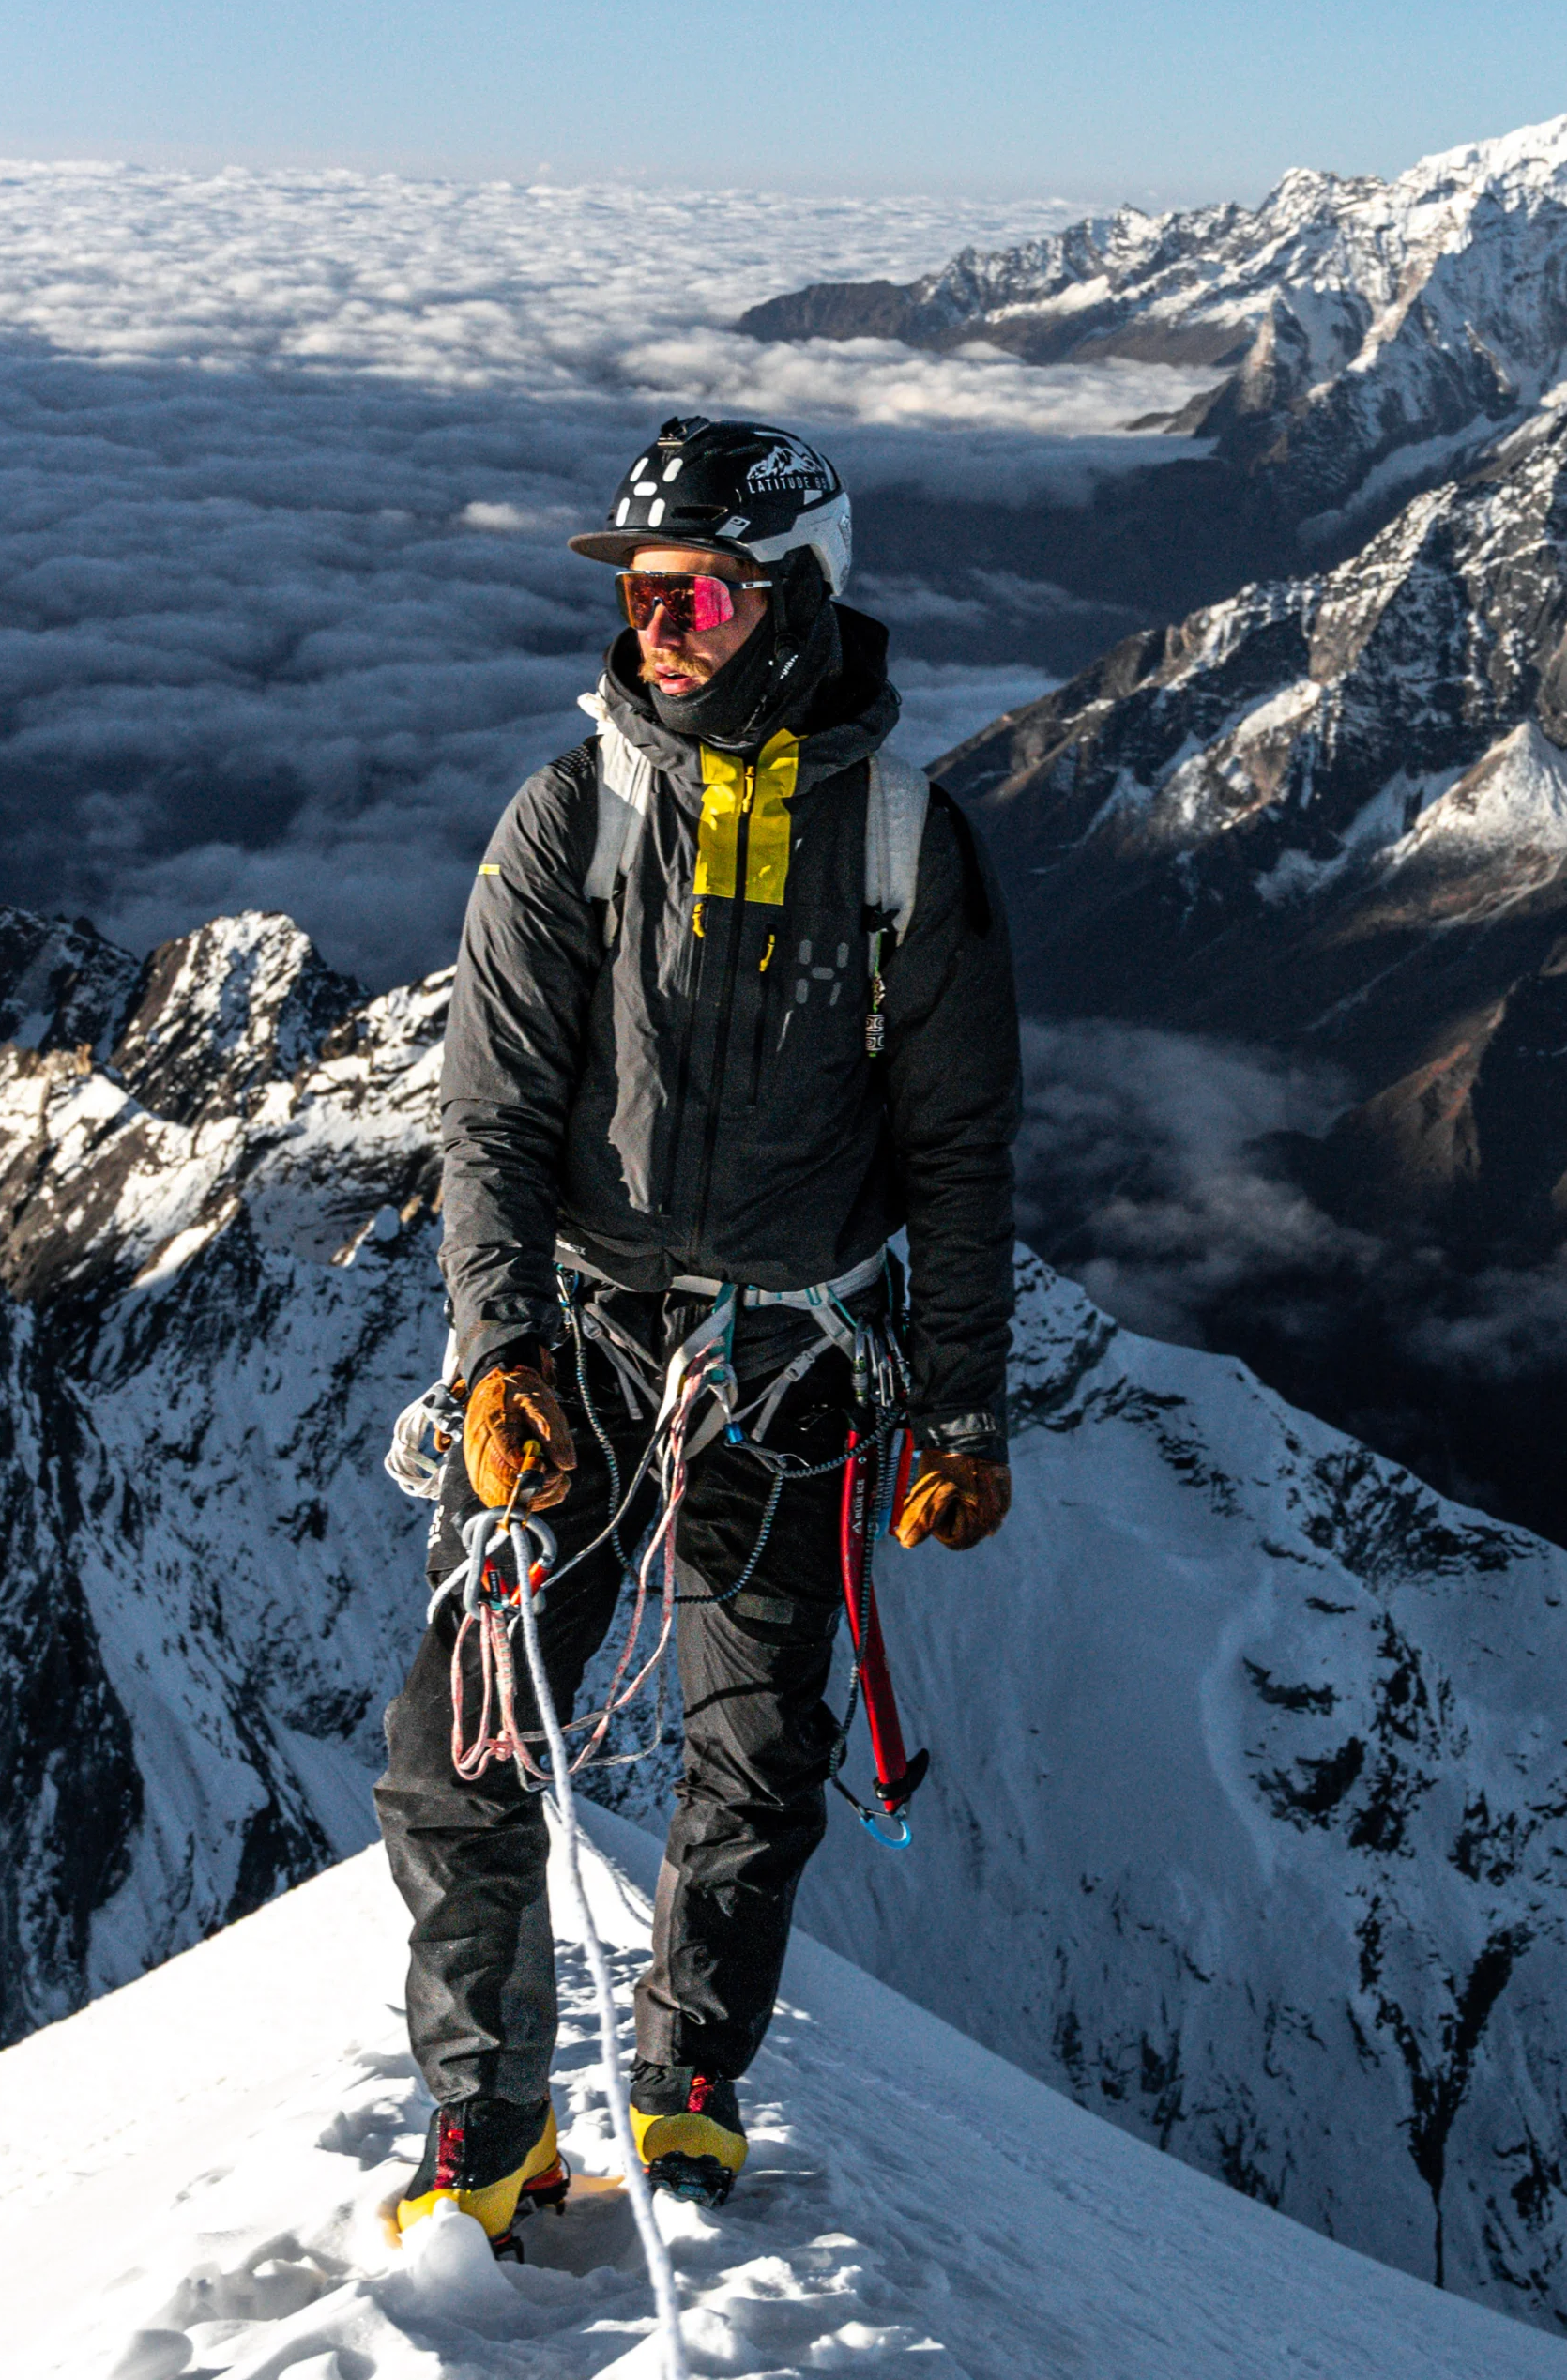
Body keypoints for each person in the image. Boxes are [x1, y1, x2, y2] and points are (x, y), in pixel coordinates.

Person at [375, 413, 1022, 2243]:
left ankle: (686, 2079)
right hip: (578, 1340)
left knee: (752, 1752)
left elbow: (958, 1146)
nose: (652, 624)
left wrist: (962, 1414)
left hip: (789, 1362)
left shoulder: (902, 845)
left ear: (798, 604)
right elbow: (488, 1121)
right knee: (464, 1731)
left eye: (696, 593)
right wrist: (499, 1352)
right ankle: (482, 2120)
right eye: (641, 590)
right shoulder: (568, 822)